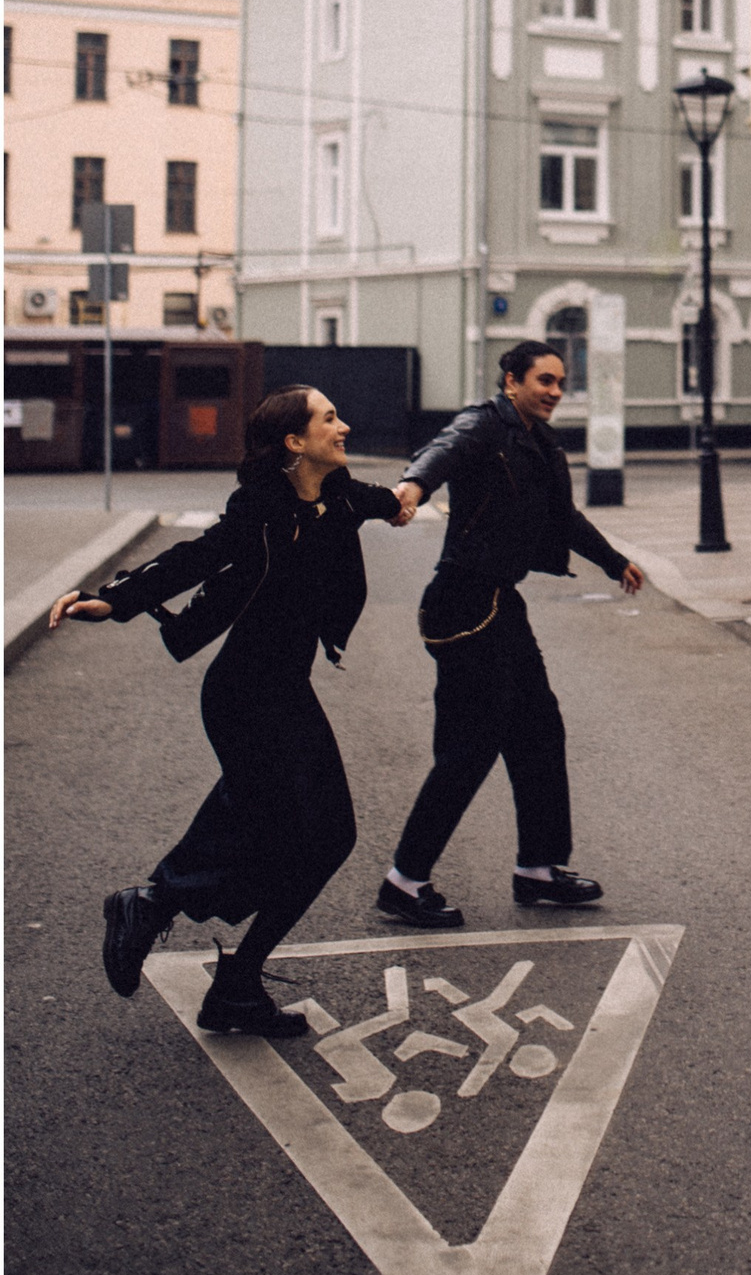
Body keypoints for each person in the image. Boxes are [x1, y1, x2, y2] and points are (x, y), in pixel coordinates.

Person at [52, 387, 410, 1036]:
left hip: (285, 689)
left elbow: (385, 501)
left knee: (313, 833)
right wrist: (114, 600)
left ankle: (223, 971)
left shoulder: (339, 496)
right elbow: (197, 556)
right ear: (295, 441)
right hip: (244, 693)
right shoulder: (261, 508)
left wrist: (407, 497)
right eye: (330, 418)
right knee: (290, 823)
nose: (345, 426)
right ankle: (161, 909)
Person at [374, 339, 643, 930]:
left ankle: (538, 868)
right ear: (512, 381)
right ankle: (404, 881)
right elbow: (442, 451)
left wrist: (613, 560)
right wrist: (412, 488)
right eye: (544, 380)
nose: (555, 392)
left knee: (539, 730)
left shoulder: (540, 441)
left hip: (501, 600)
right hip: (463, 600)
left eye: (560, 382)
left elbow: (562, 518)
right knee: (469, 746)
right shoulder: (484, 425)